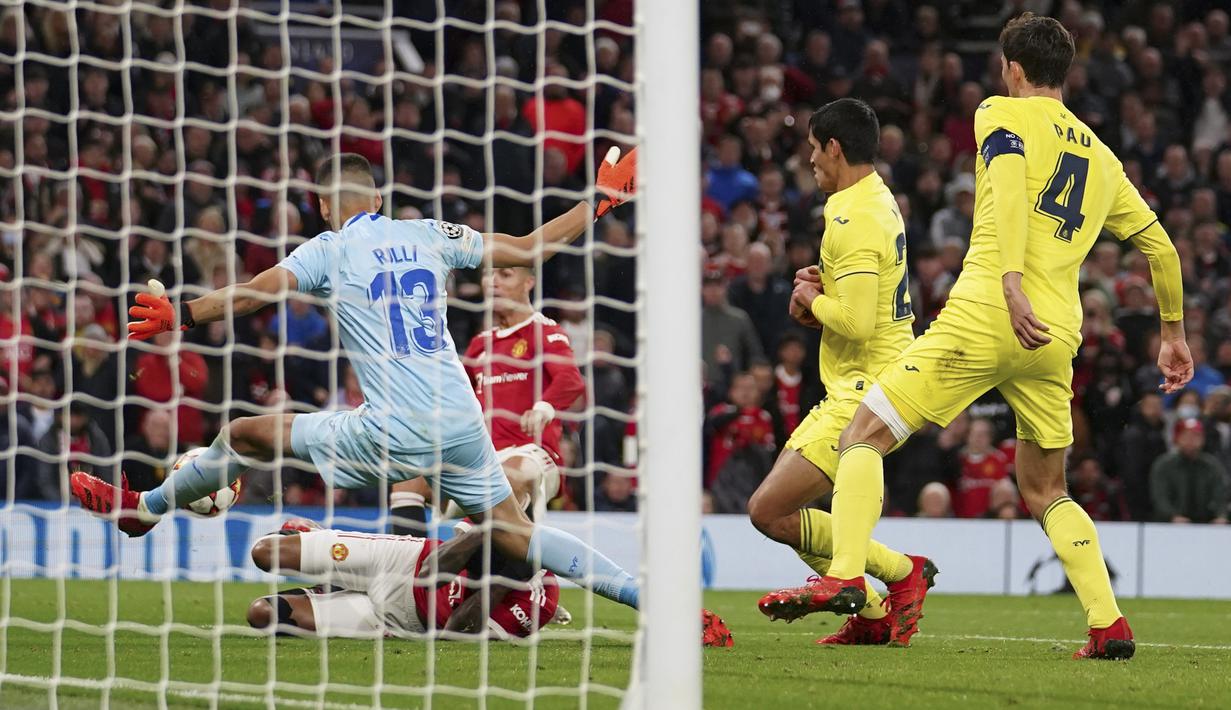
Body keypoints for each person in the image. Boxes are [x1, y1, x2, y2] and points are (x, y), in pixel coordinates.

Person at [70, 151, 676, 628]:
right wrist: (599, 202)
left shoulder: (329, 249)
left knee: (243, 435)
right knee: (517, 530)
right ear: (380, 199)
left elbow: (258, 290)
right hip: (463, 423)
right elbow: (526, 248)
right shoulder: (431, 233)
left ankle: (146, 510)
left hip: (395, 425)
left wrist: (184, 314)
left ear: (324, 206)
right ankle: (651, 599)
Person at [775, 14, 1192, 660]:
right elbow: (1160, 247)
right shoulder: (1100, 156)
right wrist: (1172, 332)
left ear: (1014, 70)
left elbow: (1002, 184)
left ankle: (844, 573)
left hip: (989, 310)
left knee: (863, 433)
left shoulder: (999, 112)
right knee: (1046, 487)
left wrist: (1009, 281)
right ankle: (1106, 623)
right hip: (1054, 337)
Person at [746, 98, 937, 648]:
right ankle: (875, 608)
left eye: (812, 149)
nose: (808, 161)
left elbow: (853, 321)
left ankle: (899, 575)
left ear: (834, 147)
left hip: (865, 387)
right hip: (875, 376)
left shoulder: (852, 216)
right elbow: (864, 304)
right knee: (777, 509)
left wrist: (812, 295)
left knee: (770, 509)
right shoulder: (878, 200)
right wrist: (824, 291)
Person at [389, 264, 586, 528]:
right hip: (482, 457)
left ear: (529, 282)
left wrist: (543, 408)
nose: (492, 282)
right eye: (487, 275)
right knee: (408, 480)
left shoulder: (545, 331)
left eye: (504, 274)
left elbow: (570, 380)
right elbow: (457, 396)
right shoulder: (481, 343)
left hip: (533, 454)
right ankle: (414, 562)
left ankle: (514, 557)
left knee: (508, 478)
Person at [245, 516, 562, 640]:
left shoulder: (540, 604)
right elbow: (430, 573)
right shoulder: (497, 522)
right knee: (265, 551)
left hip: (401, 620)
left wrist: (503, 581)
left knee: (262, 613)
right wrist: (483, 534)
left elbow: (453, 635)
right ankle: (333, 576)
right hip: (399, 559)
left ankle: (330, 588)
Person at [1149, 419, 1229, 524]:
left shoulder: (1211, 465)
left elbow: (1220, 494)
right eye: (1186, 436)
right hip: (1169, 525)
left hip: (1206, 524)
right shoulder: (1164, 465)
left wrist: (1221, 515)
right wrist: (1172, 515)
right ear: (1177, 438)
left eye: (1196, 436)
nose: (1191, 440)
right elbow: (1160, 497)